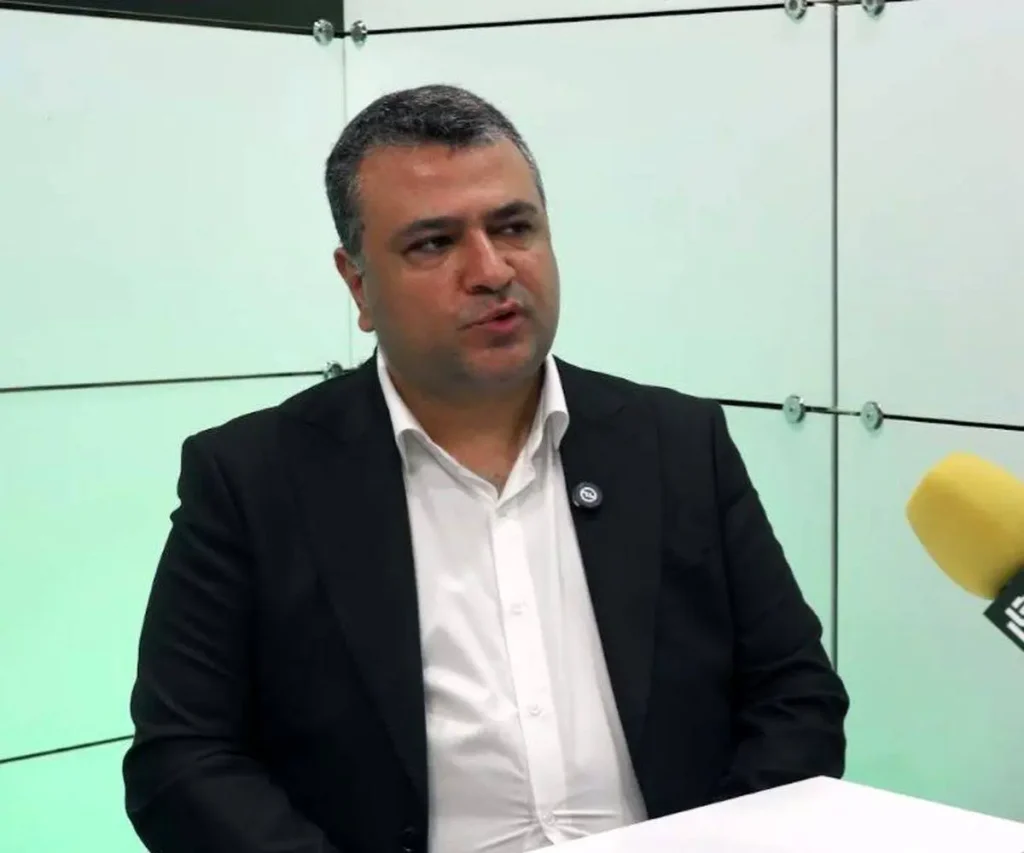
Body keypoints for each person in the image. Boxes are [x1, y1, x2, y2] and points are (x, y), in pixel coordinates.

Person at [122, 84, 849, 853]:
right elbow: (182, 760)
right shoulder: (252, 479)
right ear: (357, 283)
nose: (492, 269)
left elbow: (794, 697)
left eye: (514, 227)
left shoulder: (677, 443)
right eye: (434, 243)